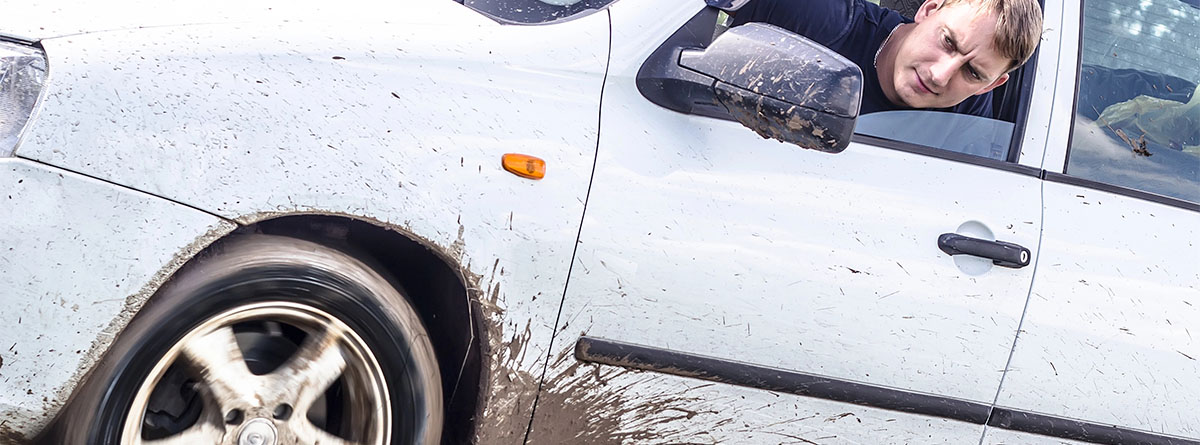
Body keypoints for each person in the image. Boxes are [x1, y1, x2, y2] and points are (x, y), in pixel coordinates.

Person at [732, 0, 1043, 118]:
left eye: (973, 73)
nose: (940, 75)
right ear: (928, 10)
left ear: (990, 86)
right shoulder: (819, 19)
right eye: (947, 41)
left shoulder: (966, 118)